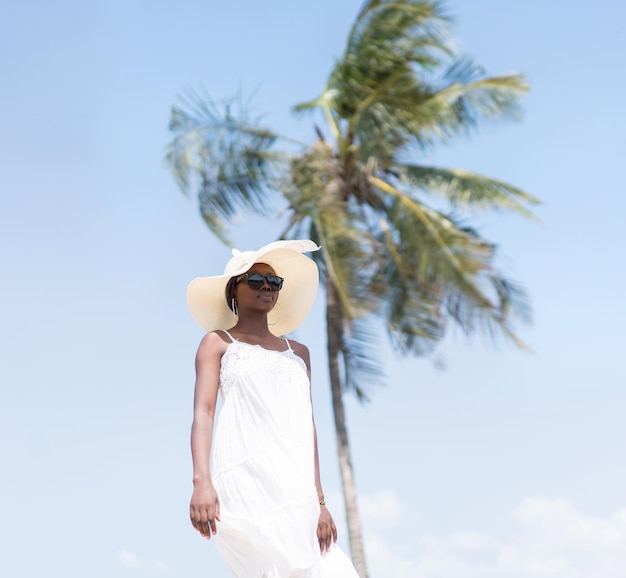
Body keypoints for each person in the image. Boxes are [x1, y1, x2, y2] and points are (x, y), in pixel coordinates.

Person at [186, 239, 360, 578]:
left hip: (296, 485)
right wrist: (200, 481)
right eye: (255, 280)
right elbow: (203, 414)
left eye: (274, 282)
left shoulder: (299, 353)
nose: (266, 286)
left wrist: (320, 502)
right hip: (244, 476)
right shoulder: (218, 342)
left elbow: (306, 427)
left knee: (329, 568)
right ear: (233, 290)